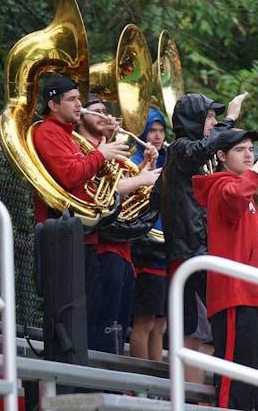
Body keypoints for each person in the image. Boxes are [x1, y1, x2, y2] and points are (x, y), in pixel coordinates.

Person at [155, 91, 248, 382]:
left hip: (194, 251)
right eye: (210, 116)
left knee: (199, 332)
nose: (215, 122)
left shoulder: (183, 157)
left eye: (217, 117)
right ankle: (188, 396)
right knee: (191, 331)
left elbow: (156, 197)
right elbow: (204, 147)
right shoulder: (182, 148)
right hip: (188, 253)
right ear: (193, 118)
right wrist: (231, 118)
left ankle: (194, 395)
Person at [192, 128, 258, 410]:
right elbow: (237, 193)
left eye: (252, 149)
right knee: (234, 377)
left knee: (248, 376)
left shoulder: (239, 189)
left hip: (250, 294)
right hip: (234, 293)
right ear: (221, 156)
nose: (249, 154)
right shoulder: (222, 186)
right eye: (240, 150)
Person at [76, 94, 161, 354]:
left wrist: (148, 164)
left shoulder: (110, 150)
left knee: (118, 326)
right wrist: (141, 179)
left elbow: (128, 192)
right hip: (101, 248)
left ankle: (113, 386)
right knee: (102, 325)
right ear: (80, 116)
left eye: (106, 110)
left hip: (123, 250)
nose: (105, 115)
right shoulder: (82, 149)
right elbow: (99, 193)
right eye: (97, 110)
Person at [33, 75, 129, 299]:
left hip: (81, 233)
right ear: (53, 105)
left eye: (79, 99)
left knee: (81, 315)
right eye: (72, 99)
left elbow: (93, 179)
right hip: (61, 233)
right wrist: (100, 154)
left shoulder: (69, 135)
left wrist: (109, 139)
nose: (79, 105)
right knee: (67, 313)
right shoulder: (48, 131)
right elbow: (71, 175)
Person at [129, 107, 169, 361]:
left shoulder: (167, 162)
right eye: (152, 130)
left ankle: (159, 387)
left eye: (161, 130)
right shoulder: (134, 163)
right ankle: (140, 383)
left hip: (165, 247)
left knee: (161, 325)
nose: (157, 136)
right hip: (145, 249)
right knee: (144, 322)